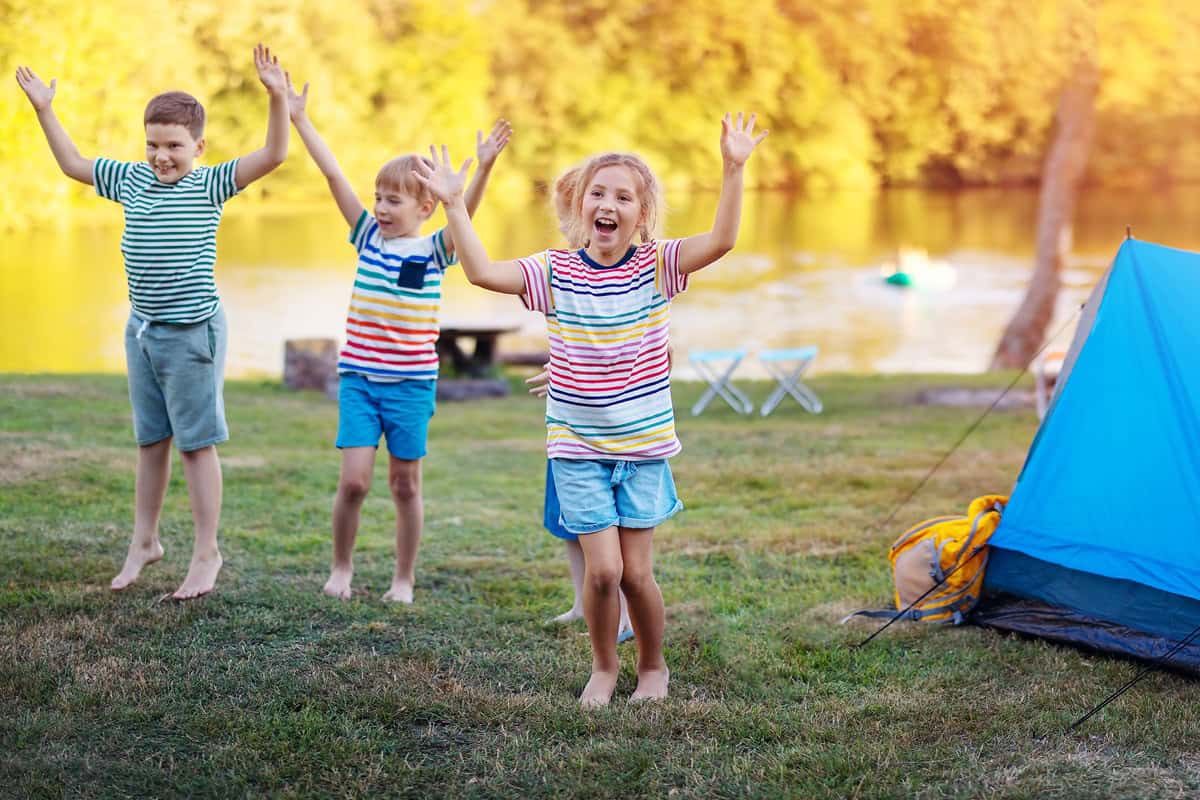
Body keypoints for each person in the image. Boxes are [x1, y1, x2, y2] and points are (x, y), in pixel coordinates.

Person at [415, 113, 767, 706]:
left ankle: (653, 669)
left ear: (642, 214)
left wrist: (733, 168)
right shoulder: (554, 271)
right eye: (597, 194)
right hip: (577, 448)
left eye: (623, 196)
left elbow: (723, 240)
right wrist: (454, 204)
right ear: (579, 208)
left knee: (636, 575)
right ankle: (604, 668)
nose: (608, 204)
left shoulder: (658, 265)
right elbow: (478, 271)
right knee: (602, 574)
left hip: (642, 451)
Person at [14, 45, 291, 600]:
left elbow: (274, 155)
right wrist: (45, 109)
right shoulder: (131, 179)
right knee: (151, 441)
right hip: (142, 330)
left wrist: (278, 97)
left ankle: (207, 552)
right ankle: (145, 541)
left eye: (174, 146)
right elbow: (73, 165)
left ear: (199, 147)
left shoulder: (210, 183)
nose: (162, 156)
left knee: (195, 444)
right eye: (153, 144)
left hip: (193, 334)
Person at [283, 72, 511, 602]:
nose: (382, 208)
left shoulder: (435, 252)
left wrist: (486, 167)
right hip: (360, 381)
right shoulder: (367, 239)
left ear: (426, 207)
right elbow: (334, 174)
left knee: (405, 484)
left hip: (410, 385)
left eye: (394, 201)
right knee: (355, 482)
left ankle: (402, 579)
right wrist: (300, 119)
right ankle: (341, 568)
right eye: (379, 198)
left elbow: (465, 214)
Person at [527, 369, 633, 642]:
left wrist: (580, 373)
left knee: (610, 526)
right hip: (568, 431)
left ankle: (622, 617)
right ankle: (582, 605)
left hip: (606, 433)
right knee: (570, 521)